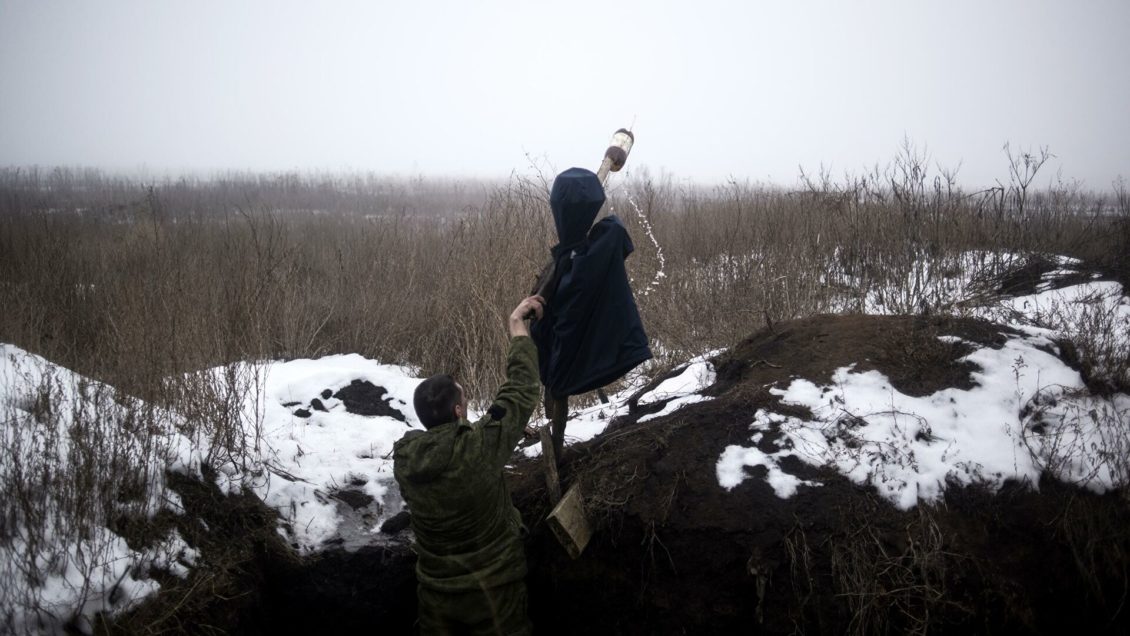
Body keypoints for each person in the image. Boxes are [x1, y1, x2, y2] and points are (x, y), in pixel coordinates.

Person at [393, 295, 545, 636]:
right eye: (464, 397)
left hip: (435, 601)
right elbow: (521, 390)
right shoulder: (478, 448)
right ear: (459, 411)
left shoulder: (405, 461)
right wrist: (517, 326)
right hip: (495, 597)